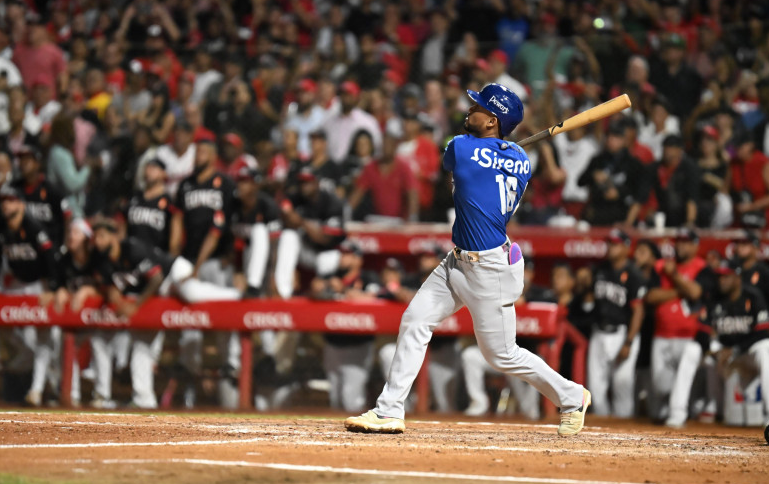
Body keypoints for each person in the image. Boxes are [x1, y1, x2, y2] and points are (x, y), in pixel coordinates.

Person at [344, 83, 590, 436]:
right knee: (415, 320)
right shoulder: (521, 159)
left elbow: (455, 158)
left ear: (492, 121)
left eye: (477, 107)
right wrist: (497, 149)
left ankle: (571, 395)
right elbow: (490, 167)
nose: (468, 109)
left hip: (490, 268)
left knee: (501, 355)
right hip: (457, 262)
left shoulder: (461, 147)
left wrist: (486, 149)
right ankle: (388, 411)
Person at [90, 217, 241, 408]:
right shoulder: (100, 260)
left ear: (114, 237)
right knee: (141, 345)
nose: (97, 241)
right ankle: (143, 400)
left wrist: (135, 306)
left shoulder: (132, 248)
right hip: (152, 297)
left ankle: (237, 295)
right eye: (95, 237)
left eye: (102, 236)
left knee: (192, 293)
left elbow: (156, 278)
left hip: (172, 272)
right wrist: (114, 294)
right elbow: (108, 287)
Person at [175, 135, 240, 408]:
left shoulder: (224, 184)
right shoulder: (185, 184)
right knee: (190, 325)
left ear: (213, 155)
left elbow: (222, 227)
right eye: (196, 150)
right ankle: (189, 378)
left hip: (215, 262)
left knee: (226, 322)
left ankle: (233, 376)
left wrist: (201, 266)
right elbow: (178, 222)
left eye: (203, 151)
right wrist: (178, 259)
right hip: (189, 261)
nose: (198, 155)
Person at [645, 228, 715, 428]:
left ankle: (679, 414)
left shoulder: (702, 268)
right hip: (661, 335)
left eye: (686, 242)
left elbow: (695, 292)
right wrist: (680, 289)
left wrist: (673, 276)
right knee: (660, 387)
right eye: (679, 241)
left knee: (686, 372)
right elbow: (651, 297)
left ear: (695, 245)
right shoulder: (660, 266)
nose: (681, 245)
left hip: (689, 337)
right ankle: (678, 408)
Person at [0, 185, 61, 407]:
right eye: (4, 200)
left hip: (38, 285)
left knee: (46, 337)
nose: (6, 204)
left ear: (21, 203)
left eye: (11, 200)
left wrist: (52, 288)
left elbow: (51, 258)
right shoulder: (3, 228)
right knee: (15, 335)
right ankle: (32, 369)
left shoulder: (34, 227)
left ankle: (37, 389)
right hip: (14, 285)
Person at [700, 259, 769, 430]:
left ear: (737, 278)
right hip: (729, 357)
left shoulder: (753, 296)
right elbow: (704, 330)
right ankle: (714, 407)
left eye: (726, 277)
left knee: (765, 350)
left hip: (748, 352)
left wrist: (735, 350)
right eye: (720, 277)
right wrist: (714, 350)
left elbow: (763, 332)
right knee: (709, 357)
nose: (721, 280)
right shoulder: (715, 299)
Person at [588, 229, 646, 418]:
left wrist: (628, 342)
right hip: (599, 332)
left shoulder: (633, 274)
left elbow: (638, 311)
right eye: (610, 243)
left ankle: (623, 431)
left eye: (615, 244)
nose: (611, 247)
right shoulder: (600, 269)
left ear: (626, 247)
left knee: (622, 385)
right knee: (595, 387)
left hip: (622, 333)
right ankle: (603, 430)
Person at [274, 167, 347, 299]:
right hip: (307, 251)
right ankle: (284, 292)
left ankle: (329, 293)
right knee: (288, 236)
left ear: (317, 183)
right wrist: (288, 216)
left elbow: (325, 239)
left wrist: (301, 222)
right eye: (302, 182)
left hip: (329, 253)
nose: (304, 186)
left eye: (308, 182)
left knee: (328, 260)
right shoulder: (296, 198)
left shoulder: (332, 203)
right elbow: (283, 211)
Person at [577, 122, 646, 226]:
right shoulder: (598, 160)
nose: (610, 140)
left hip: (621, 214)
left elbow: (639, 193)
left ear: (624, 140)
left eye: (615, 137)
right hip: (598, 214)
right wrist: (593, 175)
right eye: (608, 136)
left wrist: (619, 193)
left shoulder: (633, 164)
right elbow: (580, 182)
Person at [232, 167, 281, 297]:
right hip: (243, 259)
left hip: (267, 261)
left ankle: (254, 286)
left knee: (259, 230)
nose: (240, 185)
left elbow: (273, 246)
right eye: (240, 181)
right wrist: (237, 271)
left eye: (245, 182)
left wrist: (271, 276)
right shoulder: (233, 205)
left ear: (255, 185)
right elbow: (228, 243)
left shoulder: (268, 206)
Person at [11, 145, 69, 246]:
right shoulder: (13, 189)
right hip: (22, 248)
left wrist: (64, 244)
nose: (23, 163)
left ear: (37, 163)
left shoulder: (51, 189)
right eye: (21, 159)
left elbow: (67, 215)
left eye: (28, 159)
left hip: (49, 247)